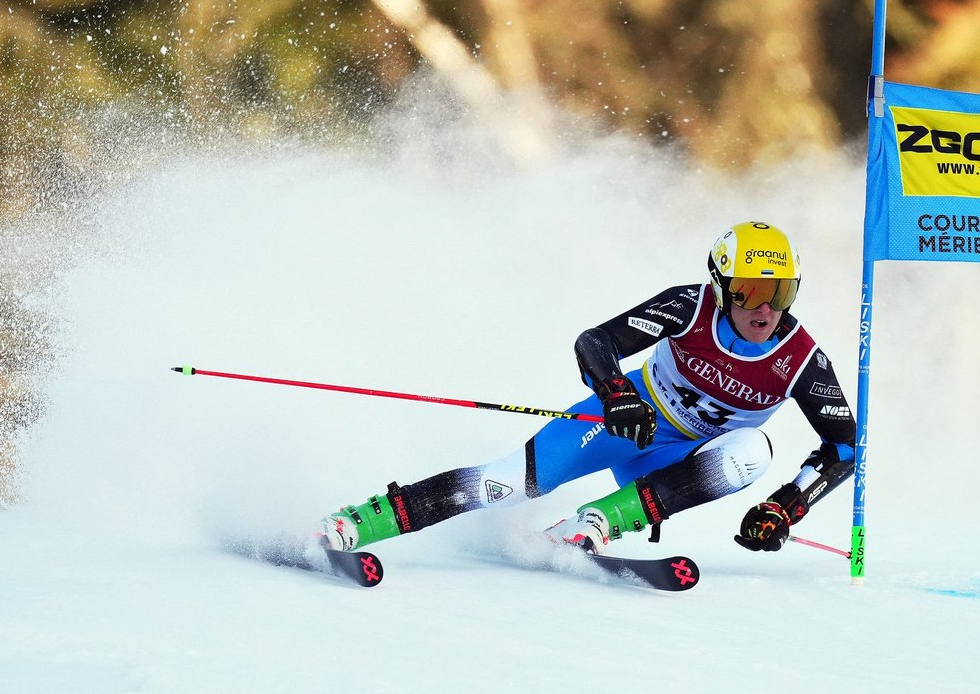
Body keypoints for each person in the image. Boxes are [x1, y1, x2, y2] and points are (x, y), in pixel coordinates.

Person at [321, 221, 856, 556]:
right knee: (503, 485)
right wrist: (616, 393)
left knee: (752, 451)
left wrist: (786, 506)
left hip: (678, 466)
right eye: (750, 290)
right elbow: (596, 341)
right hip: (627, 425)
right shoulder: (686, 306)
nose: (766, 308)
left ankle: (597, 523)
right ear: (720, 286)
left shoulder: (801, 359)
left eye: (780, 292)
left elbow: (843, 448)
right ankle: (361, 524)